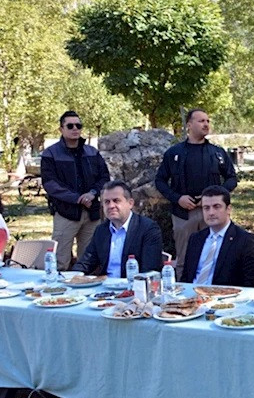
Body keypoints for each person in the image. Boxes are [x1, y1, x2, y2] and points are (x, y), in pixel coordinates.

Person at [155, 108, 237, 279]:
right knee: (185, 259)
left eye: (207, 121)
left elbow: (232, 179)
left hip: (213, 212)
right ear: (189, 125)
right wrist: (177, 199)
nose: (206, 124)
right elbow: (160, 181)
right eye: (201, 121)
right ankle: (182, 295)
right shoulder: (174, 153)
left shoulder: (217, 153)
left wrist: (213, 199)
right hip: (183, 215)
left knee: (217, 255)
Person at [41, 110, 111, 270]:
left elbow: (104, 178)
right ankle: (57, 293)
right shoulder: (50, 153)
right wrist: (78, 198)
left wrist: (92, 194)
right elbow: (50, 183)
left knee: (90, 260)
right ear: (61, 129)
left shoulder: (92, 152)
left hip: (92, 213)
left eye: (78, 125)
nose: (75, 129)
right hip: (66, 213)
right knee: (59, 261)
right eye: (70, 125)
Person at [72, 181, 163, 277]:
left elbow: (149, 270)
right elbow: (86, 263)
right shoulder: (101, 230)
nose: (111, 206)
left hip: (134, 287)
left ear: (130, 203)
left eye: (116, 201)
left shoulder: (148, 229)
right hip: (104, 287)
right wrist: (72, 277)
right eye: (107, 202)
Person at [180, 186, 254, 288]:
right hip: (191, 296)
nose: (211, 212)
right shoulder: (196, 238)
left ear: (228, 209)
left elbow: (250, 284)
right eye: (206, 208)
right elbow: (186, 278)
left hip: (226, 299)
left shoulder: (246, 241)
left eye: (216, 206)